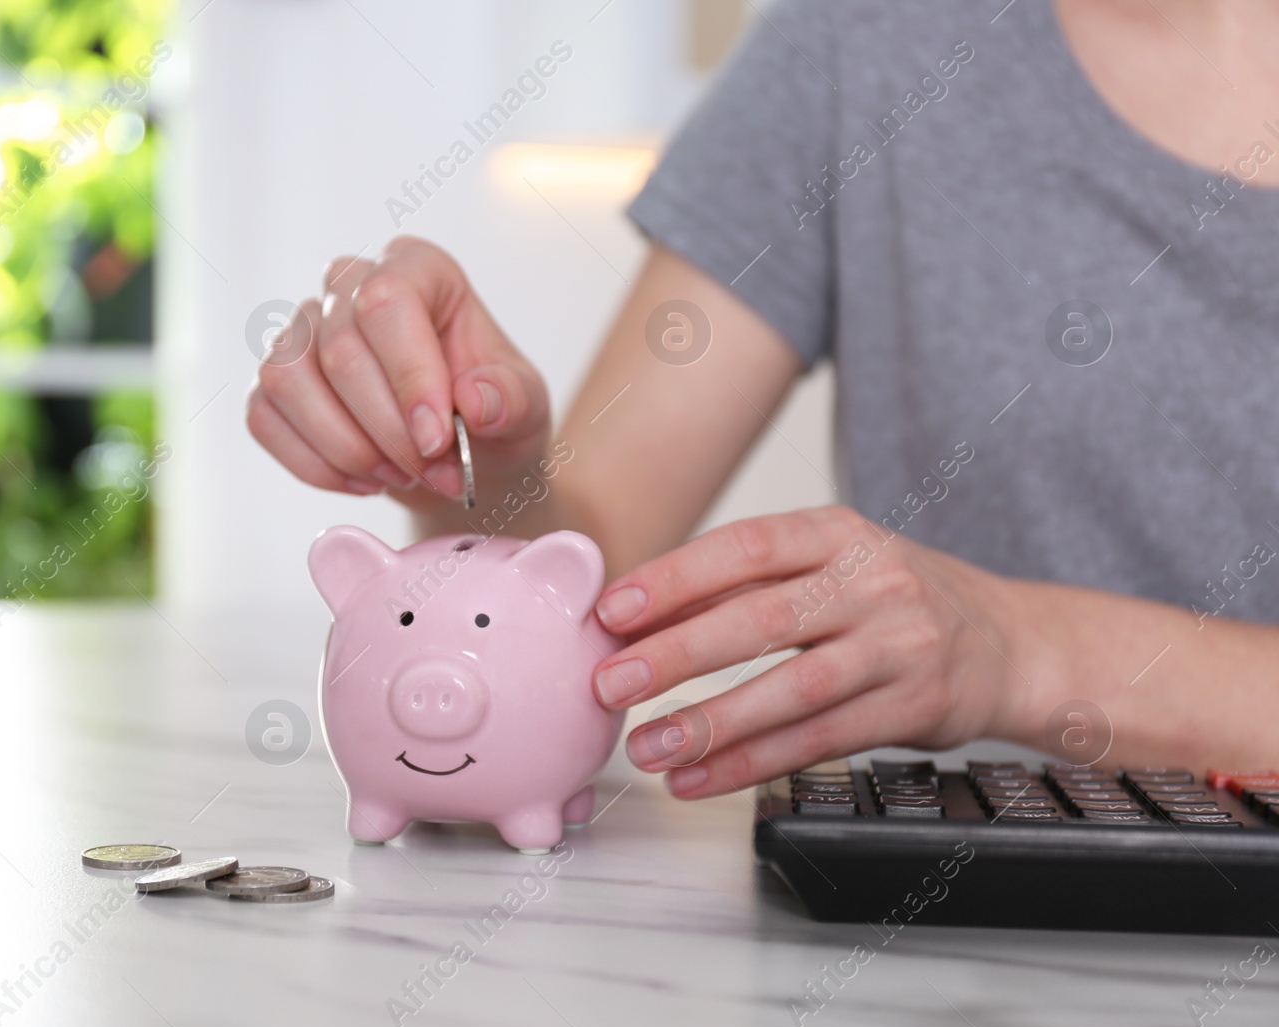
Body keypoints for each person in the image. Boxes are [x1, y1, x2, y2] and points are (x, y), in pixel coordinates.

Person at [246, 0, 1279, 799]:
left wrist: (1016, 647)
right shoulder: (866, 40)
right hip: (955, 945)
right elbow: (592, 572)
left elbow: (1006, 647)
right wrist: (484, 457)